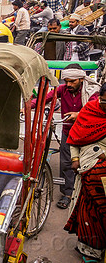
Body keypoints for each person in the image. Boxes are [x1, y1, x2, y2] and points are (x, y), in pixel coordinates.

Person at [31, 64, 100, 209]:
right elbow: (44, 99)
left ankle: (88, 194)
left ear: (81, 79)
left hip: (88, 134)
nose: (68, 84)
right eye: (66, 81)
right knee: (67, 164)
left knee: (89, 165)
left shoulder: (92, 92)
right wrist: (26, 106)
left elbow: (96, 110)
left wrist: (79, 115)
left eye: (72, 81)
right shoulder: (62, 89)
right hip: (69, 134)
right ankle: (67, 194)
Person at [64, 84, 106, 263]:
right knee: (88, 213)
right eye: (104, 101)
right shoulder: (89, 110)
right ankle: (88, 250)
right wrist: (75, 159)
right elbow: (75, 136)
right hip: (87, 172)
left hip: (102, 178)